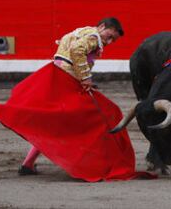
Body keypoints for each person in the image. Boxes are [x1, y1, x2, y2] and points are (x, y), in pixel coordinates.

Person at [16, 18, 124, 175]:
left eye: (113, 39)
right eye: (110, 35)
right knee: (93, 119)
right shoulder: (94, 37)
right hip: (68, 80)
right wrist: (86, 78)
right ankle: (87, 163)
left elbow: (67, 47)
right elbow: (76, 50)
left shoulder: (81, 31)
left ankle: (28, 164)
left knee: (55, 124)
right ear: (101, 26)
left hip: (58, 76)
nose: (110, 40)